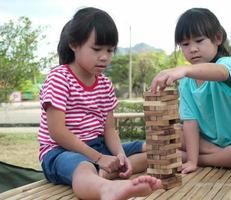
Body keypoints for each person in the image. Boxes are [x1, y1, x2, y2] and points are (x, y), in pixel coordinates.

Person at [38, 7, 161, 200]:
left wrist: (119, 155)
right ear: (74, 44)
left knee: (150, 152)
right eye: (96, 49)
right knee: (82, 166)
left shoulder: (104, 83)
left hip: (97, 147)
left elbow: (109, 130)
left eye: (110, 50)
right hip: (60, 152)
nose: (104, 56)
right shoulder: (59, 78)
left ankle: (106, 172)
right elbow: (57, 132)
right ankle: (105, 188)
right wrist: (98, 158)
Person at [150, 8, 231, 174]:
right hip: (212, 143)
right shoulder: (187, 83)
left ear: (217, 38)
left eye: (199, 40)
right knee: (173, 133)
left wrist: (184, 70)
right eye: (185, 44)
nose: (193, 49)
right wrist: (191, 161)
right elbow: (190, 122)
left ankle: (216, 159)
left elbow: (220, 72)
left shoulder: (225, 64)